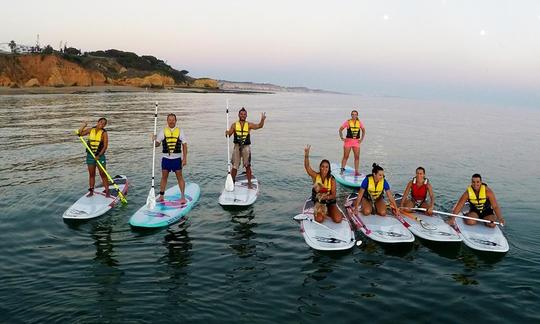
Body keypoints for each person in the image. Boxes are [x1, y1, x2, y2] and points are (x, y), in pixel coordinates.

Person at [225, 107, 266, 189]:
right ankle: (232, 182)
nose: (243, 115)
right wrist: (226, 133)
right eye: (241, 114)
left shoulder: (249, 125)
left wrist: (262, 120)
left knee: (247, 166)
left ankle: (249, 183)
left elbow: (259, 126)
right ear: (239, 115)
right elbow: (228, 135)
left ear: (246, 115)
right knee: (235, 166)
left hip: (246, 147)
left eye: (244, 114)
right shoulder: (234, 125)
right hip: (237, 147)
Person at [153, 113, 188, 204]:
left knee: (179, 177)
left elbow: (184, 145)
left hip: (177, 159)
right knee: (164, 177)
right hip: (166, 159)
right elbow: (157, 144)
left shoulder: (180, 131)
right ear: (167, 121)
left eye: (173, 120)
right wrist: (154, 140)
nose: (171, 121)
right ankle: (161, 196)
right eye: (170, 120)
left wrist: (184, 159)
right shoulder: (163, 131)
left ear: (176, 121)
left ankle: (183, 197)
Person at [304, 145, 342, 223]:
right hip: (319, 202)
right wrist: (306, 154)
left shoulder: (332, 179)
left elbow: (333, 195)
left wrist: (325, 198)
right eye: (323, 166)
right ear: (320, 167)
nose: (324, 169)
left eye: (326, 167)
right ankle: (322, 212)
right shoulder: (315, 176)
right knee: (319, 219)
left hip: (329, 201)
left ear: (329, 169)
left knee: (338, 219)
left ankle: (329, 210)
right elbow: (307, 167)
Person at [78, 118, 109, 197]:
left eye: (104, 124)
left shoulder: (104, 133)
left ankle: (107, 191)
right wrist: (83, 126)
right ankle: (91, 191)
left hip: (100, 156)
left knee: (103, 174)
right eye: (101, 122)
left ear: (104, 125)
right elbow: (80, 133)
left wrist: (99, 155)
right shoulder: (90, 130)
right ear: (98, 122)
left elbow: (105, 146)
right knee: (91, 174)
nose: (101, 124)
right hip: (90, 156)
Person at [338, 110, 366, 176]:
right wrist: (342, 137)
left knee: (357, 157)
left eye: (355, 114)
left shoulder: (359, 123)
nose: (354, 116)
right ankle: (342, 170)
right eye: (352, 114)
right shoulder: (347, 122)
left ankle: (356, 172)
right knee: (346, 156)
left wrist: (361, 139)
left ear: (357, 115)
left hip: (356, 142)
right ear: (351, 115)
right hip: (348, 142)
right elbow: (340, 129)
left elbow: (364, 130)